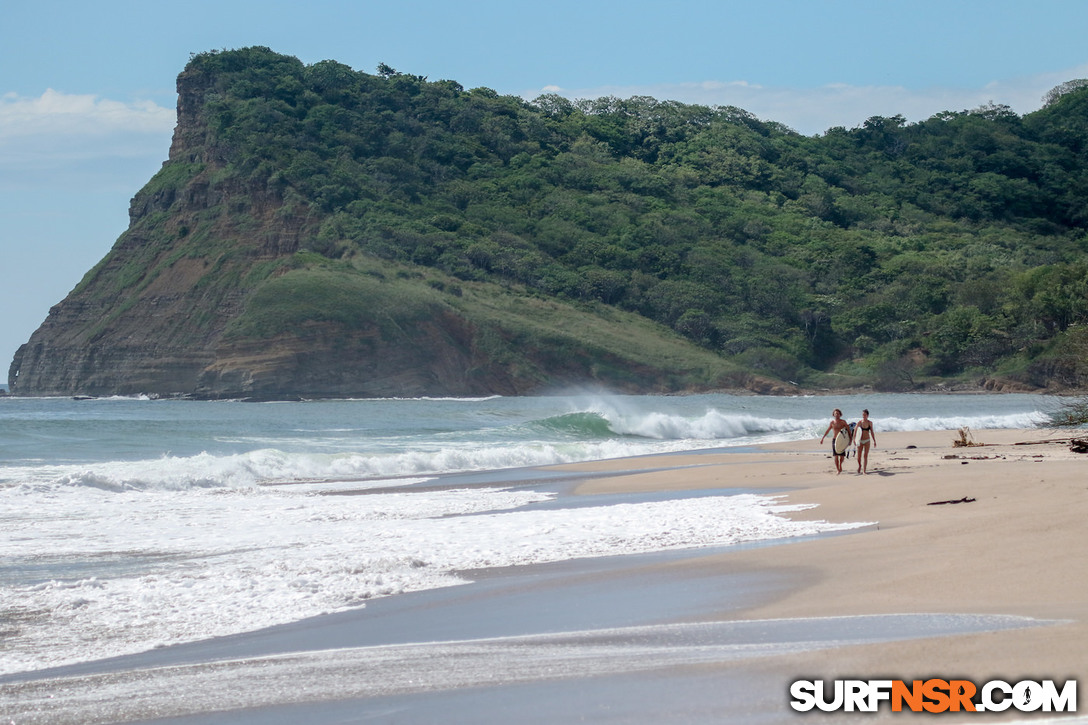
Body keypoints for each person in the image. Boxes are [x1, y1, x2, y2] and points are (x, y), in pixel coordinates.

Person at [819, 409, 850, 474]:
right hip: (835, 440)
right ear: (833, 414)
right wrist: (823, 438)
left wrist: (850, 439)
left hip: (842, 440)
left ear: (840, 414)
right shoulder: (832, 422)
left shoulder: (843, 422)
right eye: (835, 413)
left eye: (838, 413)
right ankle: (838, 469)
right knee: (836, 455)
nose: (837, 415)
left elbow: (848, 430)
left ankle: (840, 465)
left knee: (842, 456)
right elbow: (828, 430)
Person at [854, 409, 876, 474]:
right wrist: (854, 439)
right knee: (858, 456)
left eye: (865, 415)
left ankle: (864, 470)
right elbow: (855, 431)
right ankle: (860, 465)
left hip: (867, 440)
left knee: (865, 455)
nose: (863, 416)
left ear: (867, 415)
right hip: (860, 441)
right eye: (863, 415)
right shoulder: (859, 422)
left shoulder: (870, 423)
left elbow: (872, 432)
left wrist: (874, 441)